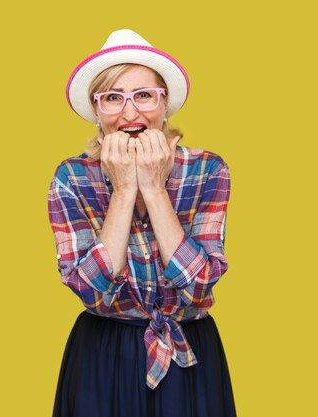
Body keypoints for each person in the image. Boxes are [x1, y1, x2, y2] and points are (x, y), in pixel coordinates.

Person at [48, 29, 237, 417]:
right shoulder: (71, 178)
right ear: (96, 110)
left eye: (143, 96)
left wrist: (153, 189)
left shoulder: (207, 170)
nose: (130, 114)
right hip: (103, 356)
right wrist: (122, 191)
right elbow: (91, 290)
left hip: (190, 355)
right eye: (113, 98)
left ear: (164, 103)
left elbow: (199, 287)